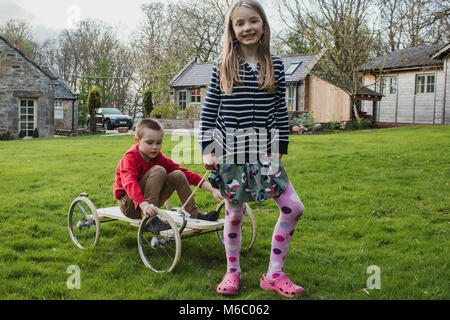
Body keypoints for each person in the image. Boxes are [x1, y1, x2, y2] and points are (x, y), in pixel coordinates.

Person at [199, 0, 305, 297]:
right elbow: (209, 111)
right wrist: (208, 149)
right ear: (232, 30)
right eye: (240, 23)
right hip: (230, 152)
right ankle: (232, 272)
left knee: (293, 207)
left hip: (266, 151)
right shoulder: (222, 67)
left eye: (253, 21)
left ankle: (274, 274)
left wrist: (280, 147)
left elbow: (280, 111)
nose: (247, 28)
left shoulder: (277, 65)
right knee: (234, 213)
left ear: (263, 24)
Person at [114, 118, 222, 221]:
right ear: (137, 141)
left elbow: (187, 174)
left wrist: (212, 189)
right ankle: (149, 219)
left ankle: (193, 213)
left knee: (178, 174)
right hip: (130, 205)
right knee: (159, 170)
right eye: (150, 142)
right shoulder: (130, 158)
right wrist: (144, 205)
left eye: (159, 142)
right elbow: (129, 183)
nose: (155, 147)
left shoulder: (159, 158)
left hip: (150, 204)